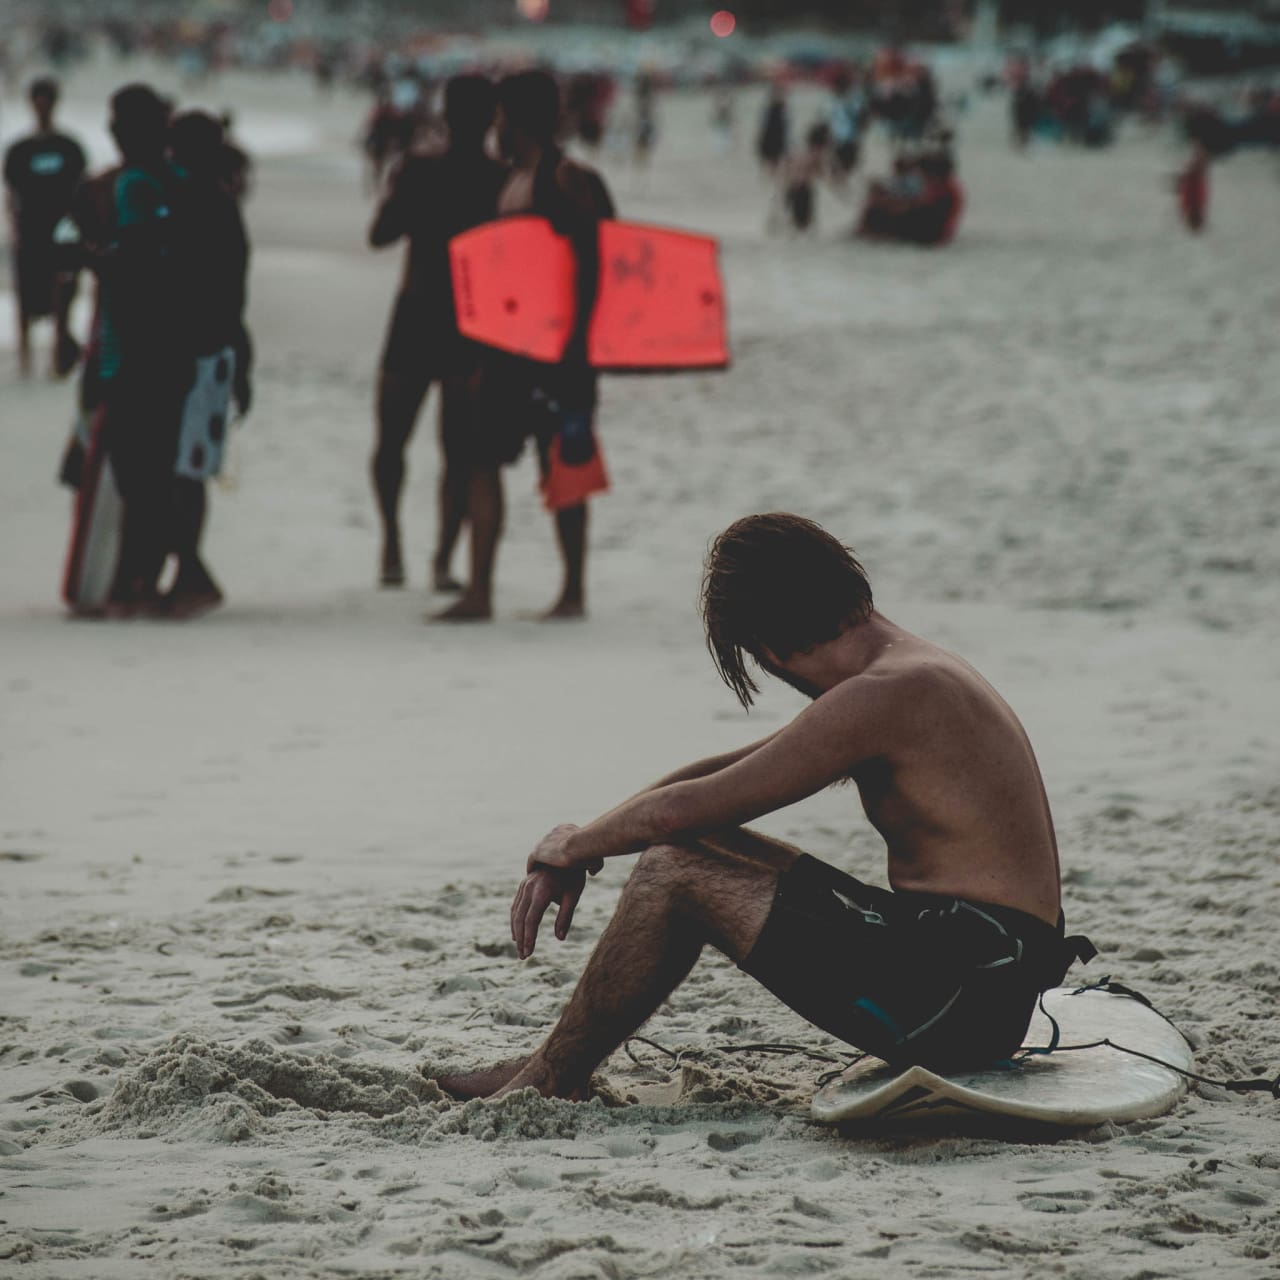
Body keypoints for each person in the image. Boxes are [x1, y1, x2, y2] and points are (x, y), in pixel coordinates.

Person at [435, 514, 1094, 1101]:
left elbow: (680, 812)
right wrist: (583, 836)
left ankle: (552, 1077)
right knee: (686, 850)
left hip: (966, 997)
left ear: (769, 649)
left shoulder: (888, 693)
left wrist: (573, 850)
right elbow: (717, 779)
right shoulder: (903, 670)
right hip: (970, 967)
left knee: (672, 870)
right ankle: (552, 1065)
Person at [438, 70, 615, 622]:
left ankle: (572, 592)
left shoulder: (566, 179)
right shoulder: (514, 179)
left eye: (500, 116)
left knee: (561, 467)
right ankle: (481, 591)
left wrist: (575, 348)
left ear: (516, 119)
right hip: (509, 352)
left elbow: (592, 264)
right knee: (481, 458)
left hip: (559, 355)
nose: (495, 127)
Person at [368, 74, 507, 590]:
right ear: (493, 118)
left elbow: (379, 235)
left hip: (415, 314)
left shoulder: (418, 170)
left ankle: (391, 545)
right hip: (470, 324)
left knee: (391, 442)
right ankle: (443, 561)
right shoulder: (501, 178)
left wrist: (401, 196)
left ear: (444, 115)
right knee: (460, 453)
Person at [95, 84, 190, 614]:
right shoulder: (182, 181)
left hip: (135, 349)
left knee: (137, 473)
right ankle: (143, 580)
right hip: (176, 345)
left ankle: (136, 583)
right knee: (157, 468)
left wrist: (94, 260)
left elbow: (136, 266)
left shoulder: (134, 184)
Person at [162, 109, 253, 616]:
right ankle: (187, 569)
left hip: (197, 352)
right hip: (215, 350)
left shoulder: (196, 204)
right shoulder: (220, 203)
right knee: (187, 469)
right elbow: (236, 293)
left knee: (182, 470)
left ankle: (192, 573)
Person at [4, 76, 86, 377]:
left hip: (62, 231)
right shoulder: (19, 150)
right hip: (29, 231)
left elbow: (81, 190)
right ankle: (25, 358)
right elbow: (11, 193)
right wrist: (14, 228)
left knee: (61, 295)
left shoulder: (69, 148)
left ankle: (56, 355)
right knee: (25, 297)